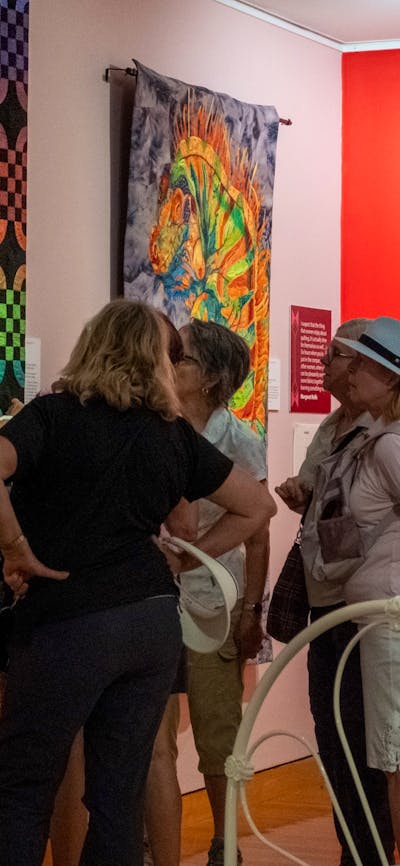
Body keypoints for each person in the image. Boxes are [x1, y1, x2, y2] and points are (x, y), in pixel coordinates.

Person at [0, 298, 276, 866]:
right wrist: (184, 559)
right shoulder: (170, 433)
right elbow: (256, 507)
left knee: (24, 788)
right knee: (118, 795)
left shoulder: (52, 416)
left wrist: (16, 549)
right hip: (150, 622)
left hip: (69, 620)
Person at [276, 318, 394, 866]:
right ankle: (359, 849)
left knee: (371, 747)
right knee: (339, 739)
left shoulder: (384, 439)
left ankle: (369, 852)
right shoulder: (337, 429)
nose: (327, 368)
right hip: (333, 604)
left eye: (338, 357)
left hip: (367, 611)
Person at [168, 318, 270, 866]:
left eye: (179, 359)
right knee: (151, 733)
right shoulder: (156, 426)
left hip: (215, 601)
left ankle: (221, 841)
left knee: (215, 733)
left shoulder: (240, 440)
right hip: (156, 601)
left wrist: (253, 610)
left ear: (209, 378)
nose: (169, 364)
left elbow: (258, 534)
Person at [334, 316, 400, 857]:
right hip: (378, 615)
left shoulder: (388, 446)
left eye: (361, 364)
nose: (348, 372)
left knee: (394, 757)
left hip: (390, 620)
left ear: (390, 377)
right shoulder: (379, 438)